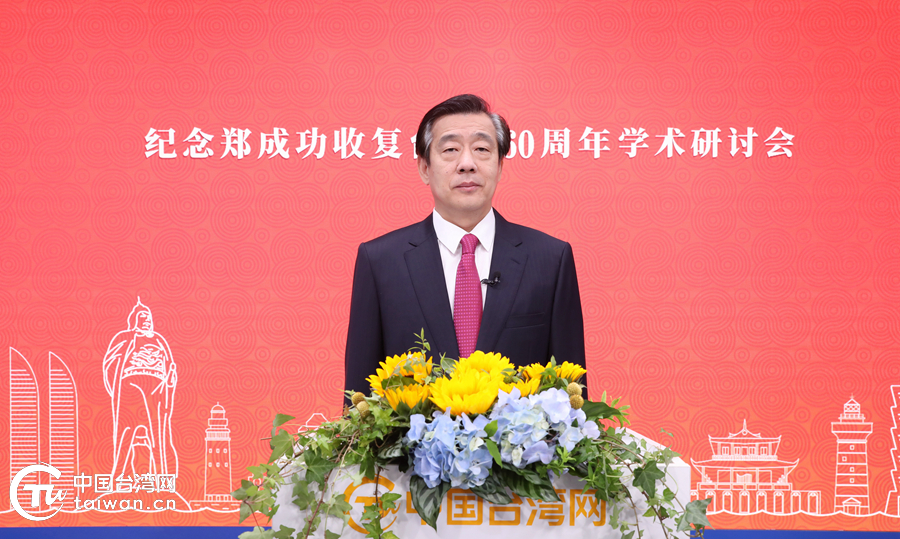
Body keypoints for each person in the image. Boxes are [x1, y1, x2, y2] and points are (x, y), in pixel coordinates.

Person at [344, 94, 586, 397]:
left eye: (482, 149)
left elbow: (572, 396)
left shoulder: (550, 260)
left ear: (500, 166)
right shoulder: (380, 261)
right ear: (424, 168)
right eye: (450, 150)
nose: (467, 164)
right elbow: (359, 400)